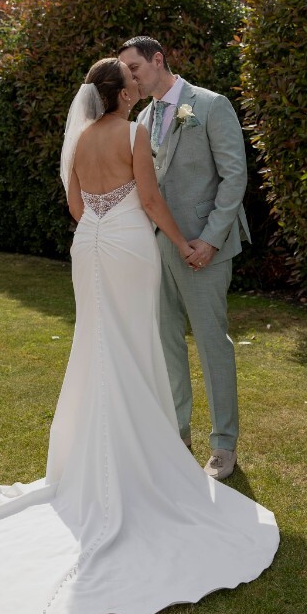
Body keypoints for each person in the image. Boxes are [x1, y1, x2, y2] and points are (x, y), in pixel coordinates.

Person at [0, 58, 278, 614]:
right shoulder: (135, 132)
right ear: (120, 94)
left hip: (89, 247)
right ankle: (145, 458)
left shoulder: (79, 137)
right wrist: (180, 237)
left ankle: (93, 460)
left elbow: (75, 207)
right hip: (131, 249)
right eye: (132, 81)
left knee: (97, 346)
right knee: (136, 346)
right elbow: (153, 201)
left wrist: (103, 223)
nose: (139, 85)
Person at [118, 37, 249, 481]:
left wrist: (210, 240)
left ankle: (223, 445)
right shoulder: (142, 117)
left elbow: (234, 176)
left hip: (202, 250)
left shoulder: (210, 105)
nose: (130, 77)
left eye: (134, 67)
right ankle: (178, 434)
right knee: (167, 344)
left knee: (213, 344)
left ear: (158, 60)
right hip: (158, 248)